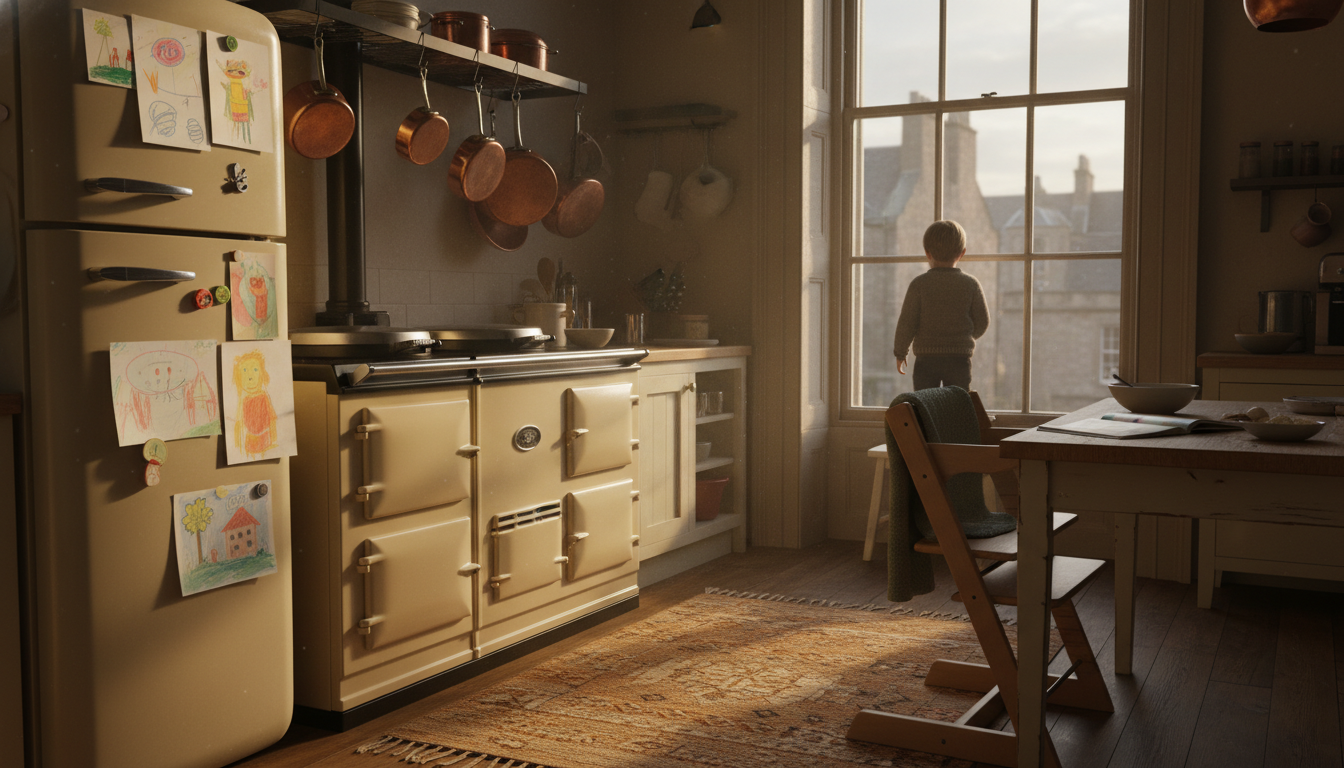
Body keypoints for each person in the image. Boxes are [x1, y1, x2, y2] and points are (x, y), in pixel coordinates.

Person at [892, 220, 990, 391]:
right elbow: (983, 321)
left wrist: (901, 352)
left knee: (925, 405)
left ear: (927, 253)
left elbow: (907, 323)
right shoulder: (970, 284)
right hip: (959, 358)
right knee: (958, 404)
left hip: (926, 359)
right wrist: (964, 337)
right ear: (962, 253)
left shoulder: (919, 284)